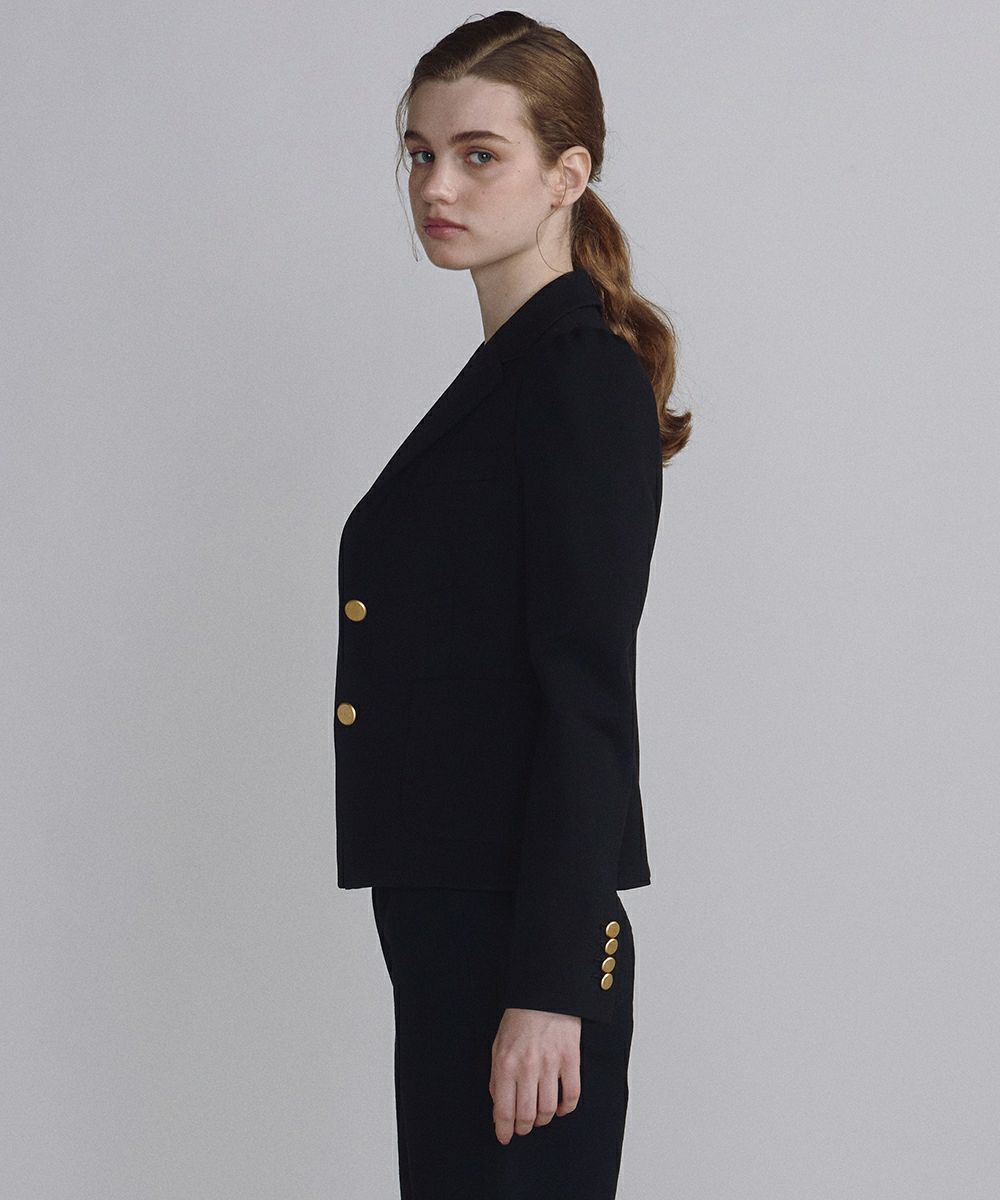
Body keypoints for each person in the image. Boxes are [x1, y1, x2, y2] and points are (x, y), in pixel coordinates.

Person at [334, 11, 691, 1198]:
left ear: (566, 174)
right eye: (420, 152)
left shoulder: (577, 379)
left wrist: (551, 986)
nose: (436, 185)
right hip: (456, 913)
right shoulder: (520, 371)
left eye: (478, 154)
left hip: (518, 930)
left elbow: (587, 699)